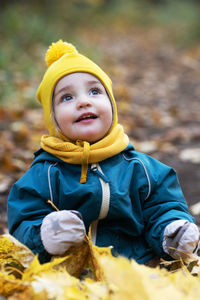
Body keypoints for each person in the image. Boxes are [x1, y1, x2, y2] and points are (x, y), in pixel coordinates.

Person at [7, 40, 199, 264]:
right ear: (53, 119)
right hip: (68, 278)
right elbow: (23, 222)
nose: (84, 102)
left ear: (112, 105)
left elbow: (163, 208)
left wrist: (171, 232)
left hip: (137, 273)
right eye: (67, 97)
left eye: (95, 91)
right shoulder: (45, 174)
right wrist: (45, 235)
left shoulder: (141, 168)